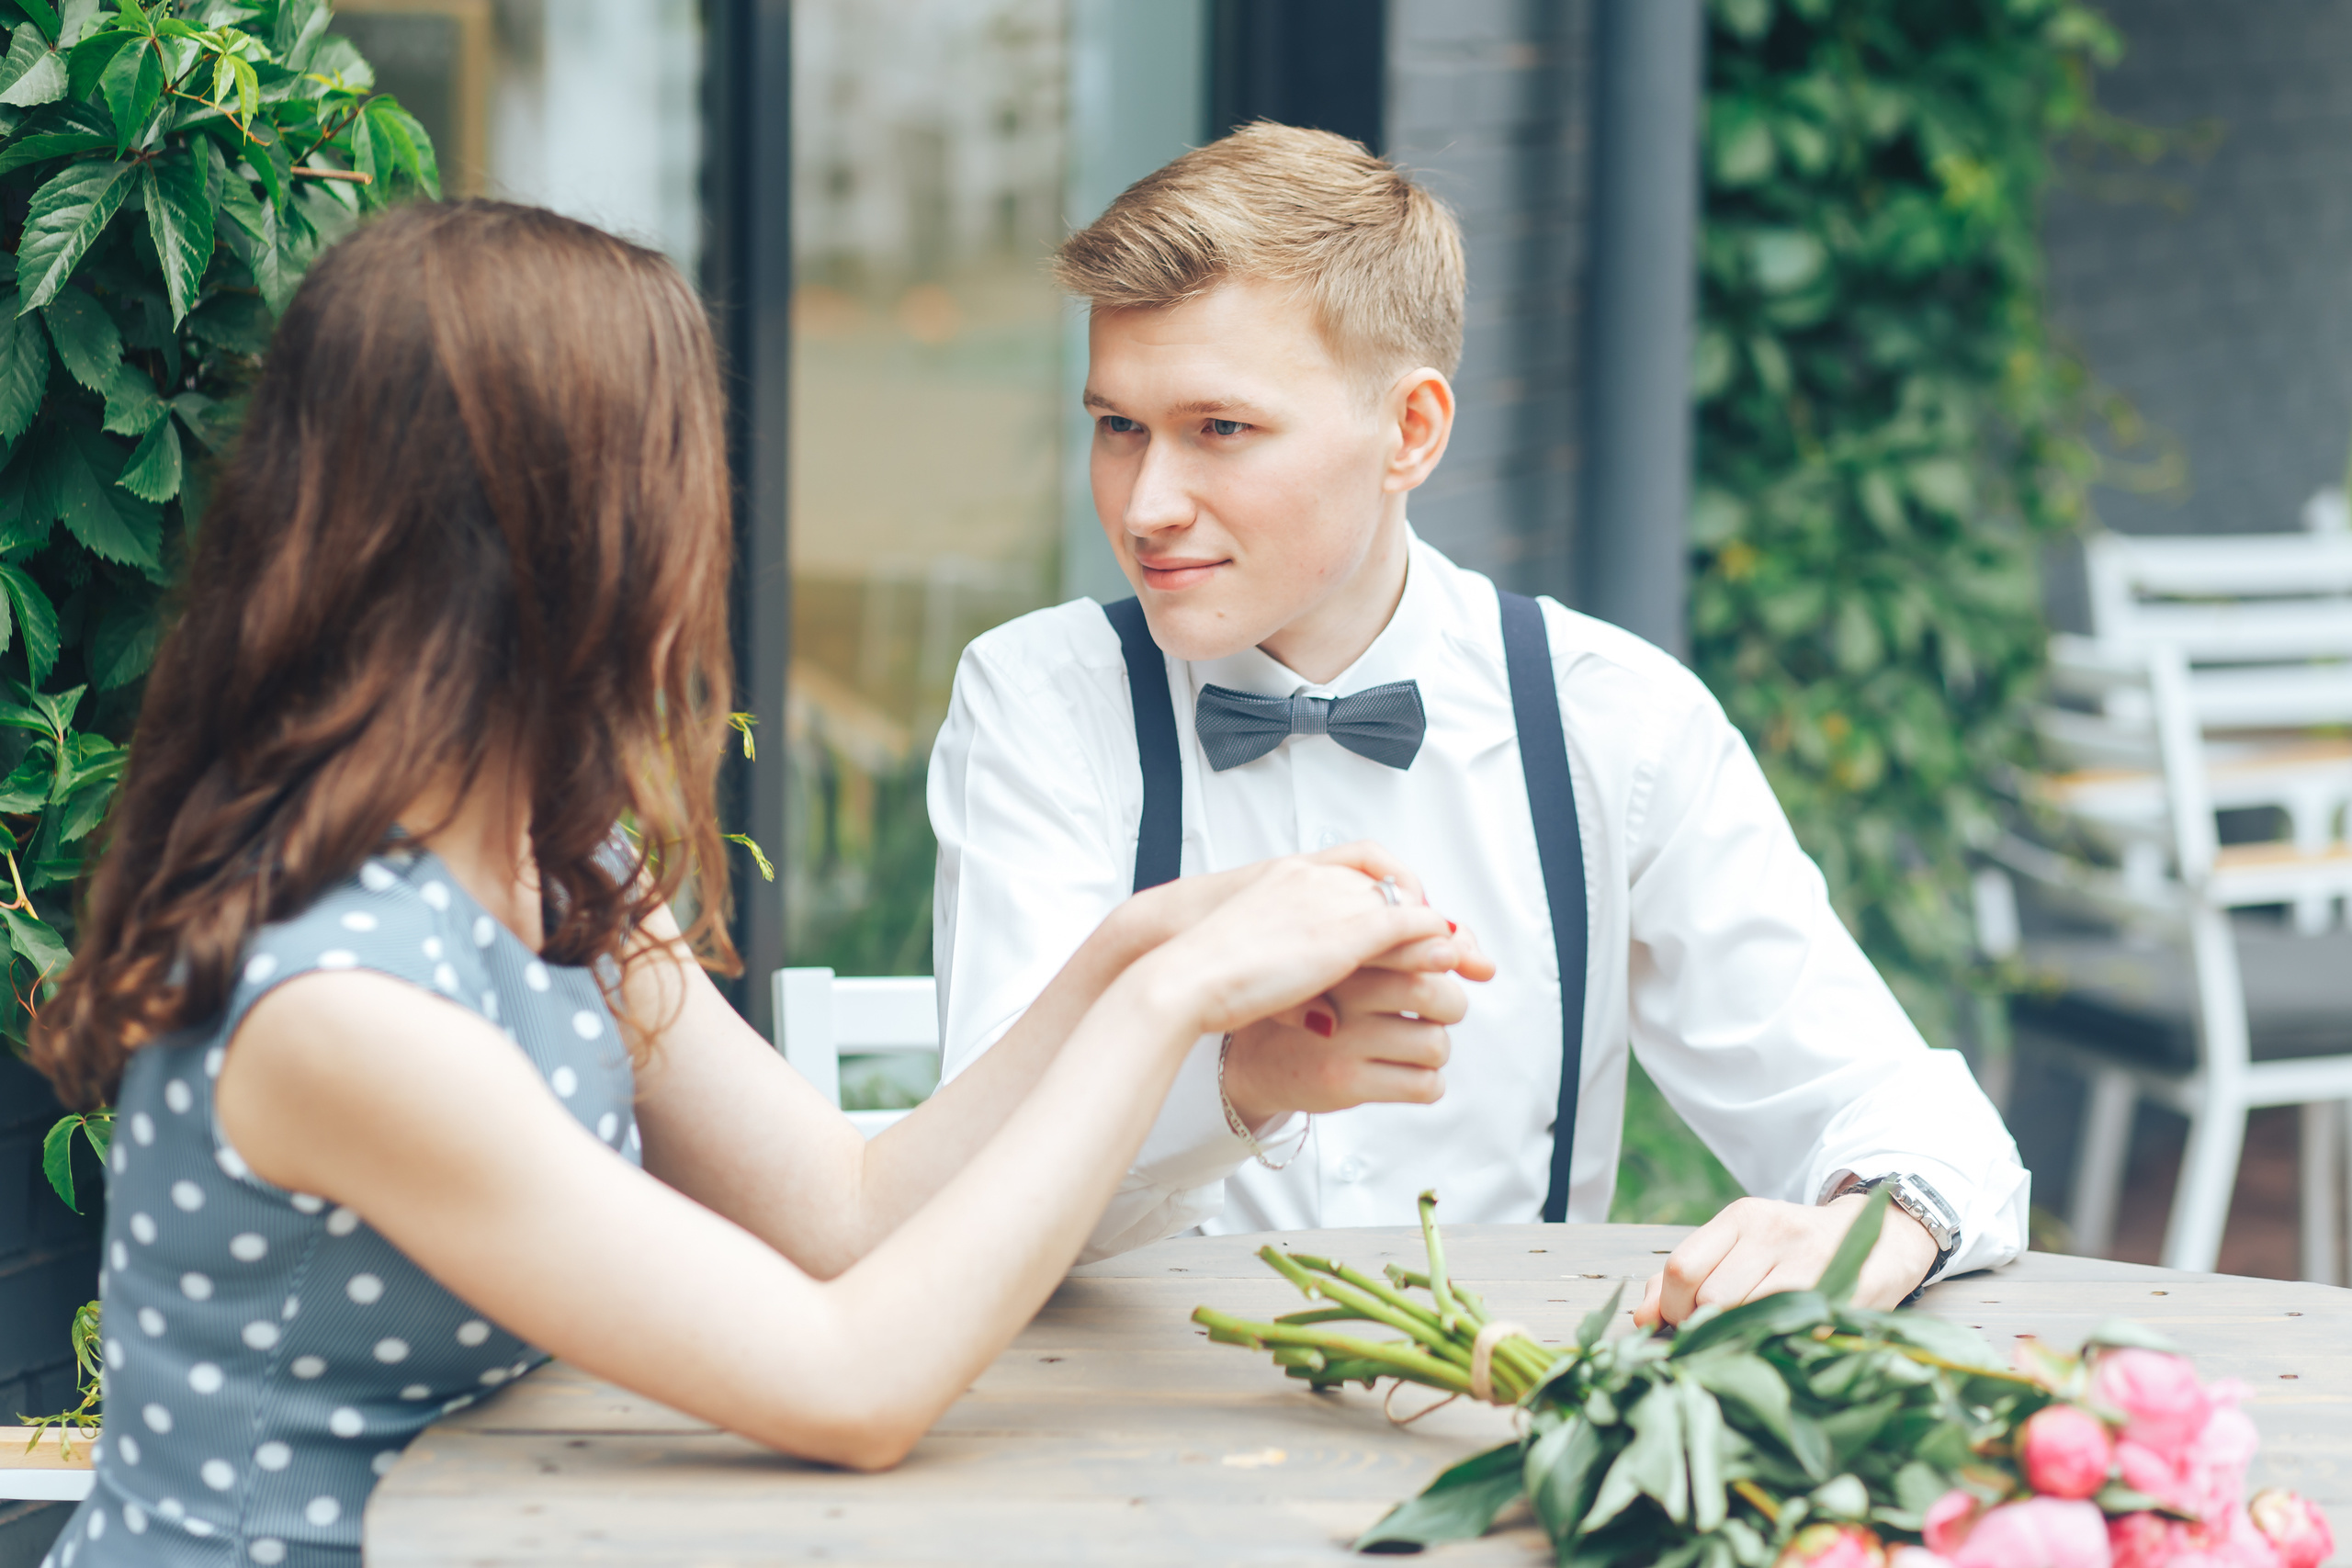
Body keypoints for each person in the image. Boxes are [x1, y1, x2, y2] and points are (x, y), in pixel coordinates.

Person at [27, 200, 1487, 1567]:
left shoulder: (556, 861)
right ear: (568, 529)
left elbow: (851, 1209)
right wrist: (1171, 1003)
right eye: (681, 467)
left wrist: (1132, 945)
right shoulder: (340, 1005)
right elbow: (853, 1386)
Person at [929, 123, 2030, 1322]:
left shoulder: (1616, 722)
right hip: (1111, 1447)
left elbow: (1913, 1120)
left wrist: (1870, 1228)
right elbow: (971, 1198)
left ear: (1411, 431)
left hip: (1500, 1436)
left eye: (1220, 430)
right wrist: (1236, 1084)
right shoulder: (1037, 700)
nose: (1145, 504)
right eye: (1118, 426)